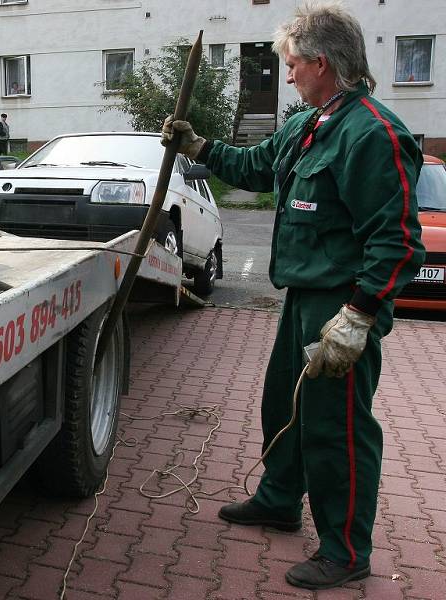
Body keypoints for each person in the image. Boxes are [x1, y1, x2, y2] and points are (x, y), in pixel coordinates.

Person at [162, 1, 424, 591]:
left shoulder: (374, 133)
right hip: (302, 299)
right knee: (284, 404)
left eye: (293, 64)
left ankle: (345, 549)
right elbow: (256, 167)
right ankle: (279, 499)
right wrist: (198, 147)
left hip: (342, 306)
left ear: (324, 63)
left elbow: (398, 240)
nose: (287, 75)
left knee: (337, 429)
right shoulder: (310, 124)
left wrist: (358, 317)